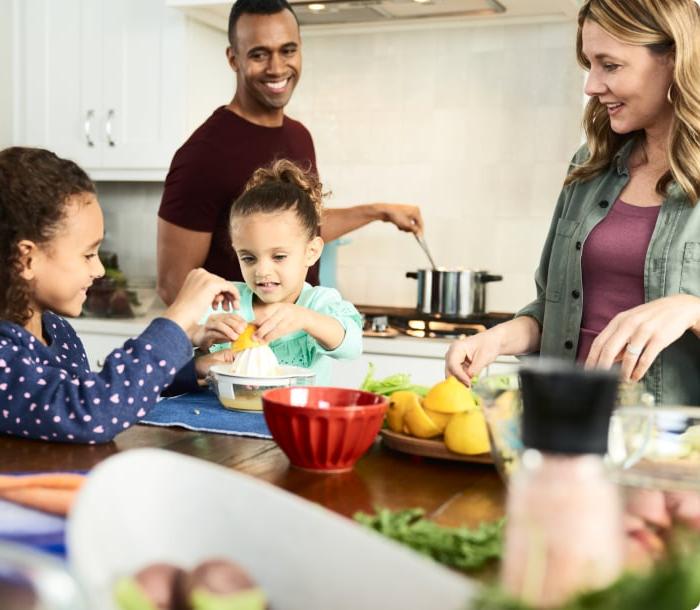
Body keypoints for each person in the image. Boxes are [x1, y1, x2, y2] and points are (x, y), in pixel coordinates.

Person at [446, 0, 700, 406]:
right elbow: (553, 309)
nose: (592, 86)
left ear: (674, 58)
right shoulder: (589, 164)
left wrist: (691, 310)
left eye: (610, 65)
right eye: (590, 65)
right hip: (564, 423)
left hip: (672, 448)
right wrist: (496, 338)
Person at [156, 0, 424, 305]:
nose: (277, 68)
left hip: (302, 343)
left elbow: (301, 226)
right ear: (233, 58)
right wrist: (249, 337)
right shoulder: (203, 154)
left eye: (288, 50)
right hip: (243, 348)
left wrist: (378, 212)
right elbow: (173, 285)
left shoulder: (299, 136)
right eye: (259, 54)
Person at [0, 147, 239, 444]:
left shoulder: (57, 330)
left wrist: (191, 371)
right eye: (88, 254)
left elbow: (97, 389)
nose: (99, 269)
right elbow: (91, 411)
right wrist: (176, 322)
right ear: (26, 260)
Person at [194, 159, 362, 385]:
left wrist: (307, 319)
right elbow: (173, 354)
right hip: (224, 417)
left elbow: (351, 347)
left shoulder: (318, 303)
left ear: (311, 252)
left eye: (279, 257)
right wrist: (201, 343)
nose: (262, 271)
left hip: (296, 418)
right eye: (249, 258)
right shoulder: (226, 302)